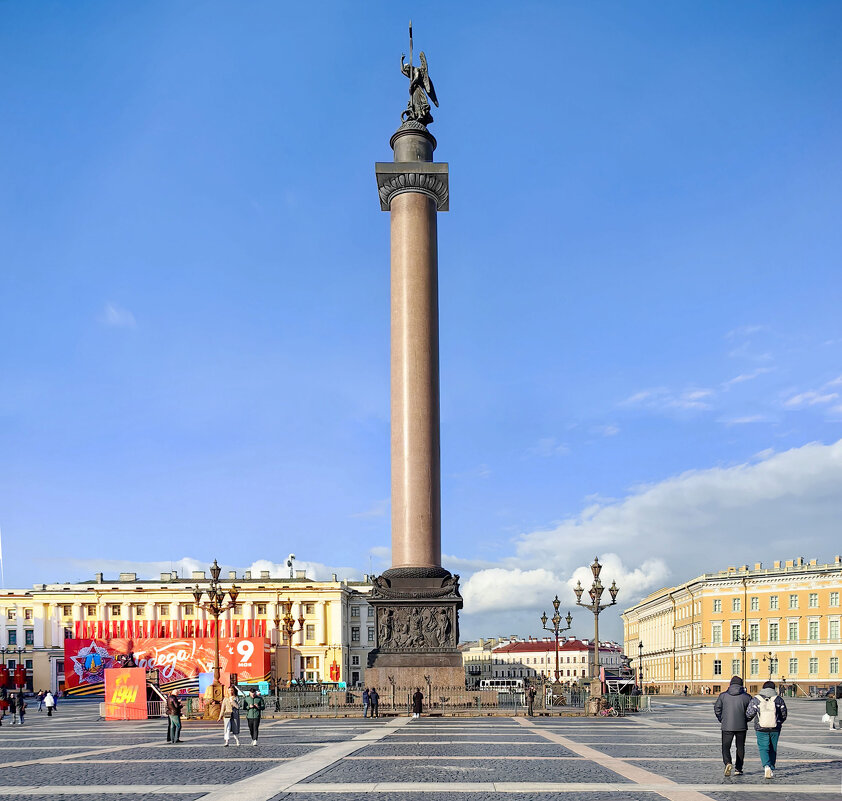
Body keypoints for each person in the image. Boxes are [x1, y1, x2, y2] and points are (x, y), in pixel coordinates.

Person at [747, 680, 787, 779]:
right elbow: (784, 714)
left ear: (763, 688)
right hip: (775, 728)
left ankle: (767, 766)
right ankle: (772, 768)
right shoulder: (778, 699)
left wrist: (748, 719)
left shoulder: (756, 699)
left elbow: (749, 713)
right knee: (773, 748)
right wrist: (779, 722)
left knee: (763, 747)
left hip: (761, 727)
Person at [714, 675, 752, 776]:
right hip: (742, 726)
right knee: (740, 747)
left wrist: (722, 719)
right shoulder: (747, 697)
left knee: (726, 746)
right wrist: (746, 719)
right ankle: (738, 769)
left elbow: (717, 708)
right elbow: (751, 711)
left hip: (727, 725)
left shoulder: (723, 696)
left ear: (730, 684)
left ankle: (728, 762)